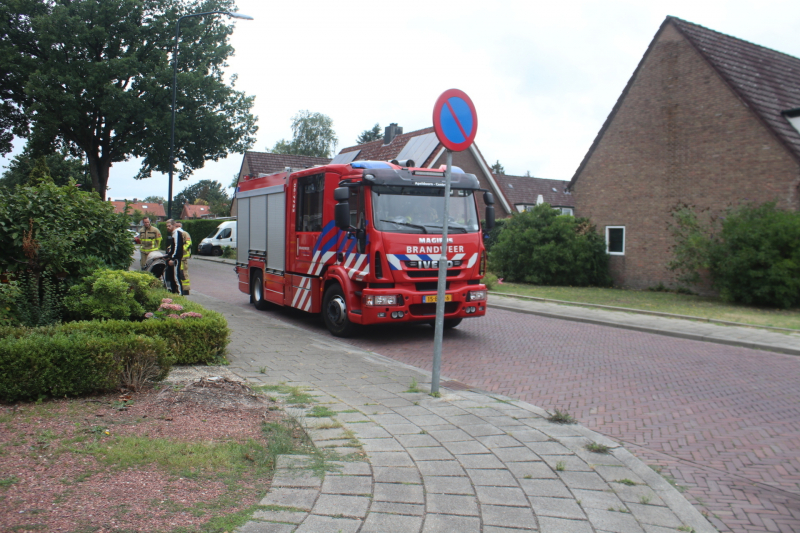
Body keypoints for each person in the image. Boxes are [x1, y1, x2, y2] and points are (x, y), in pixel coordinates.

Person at [164, 219, 185, 295]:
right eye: (167, 226)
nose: (168, 228)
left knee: (176, 277)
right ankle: (175, 292)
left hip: (176, 259)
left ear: (173, 225)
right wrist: (168, 255)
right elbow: (173, 247)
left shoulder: (176, 233)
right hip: (175, 257)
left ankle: (180, 294)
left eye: (169, 226)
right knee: (174, 276)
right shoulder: (174, 233)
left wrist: (173, 258)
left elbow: (177, 247)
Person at [175, 221, 192, 295]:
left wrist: (181, 249)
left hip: (183, 258)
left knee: (184, 273)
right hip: (179, 258)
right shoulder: (175, 234)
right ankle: (181, 287)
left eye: (178, 226)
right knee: (179, 273)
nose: (178, 227)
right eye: (176, 226)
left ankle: (186, 289)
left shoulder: (184, 233)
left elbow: (188, 243)